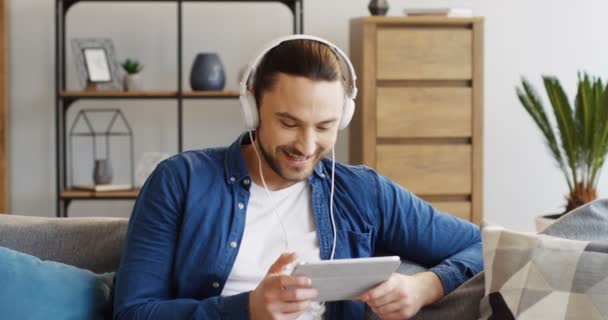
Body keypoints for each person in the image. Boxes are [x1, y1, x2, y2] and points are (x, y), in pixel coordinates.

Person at [113, 35, 482, 320]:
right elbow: (132, 312)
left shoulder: (363, 193)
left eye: (325, 126)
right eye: (288, 123)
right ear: (253, 106)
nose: (306, 146)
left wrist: (427, 286)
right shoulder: (180, 182)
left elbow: (487, 246)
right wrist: (248, 309)